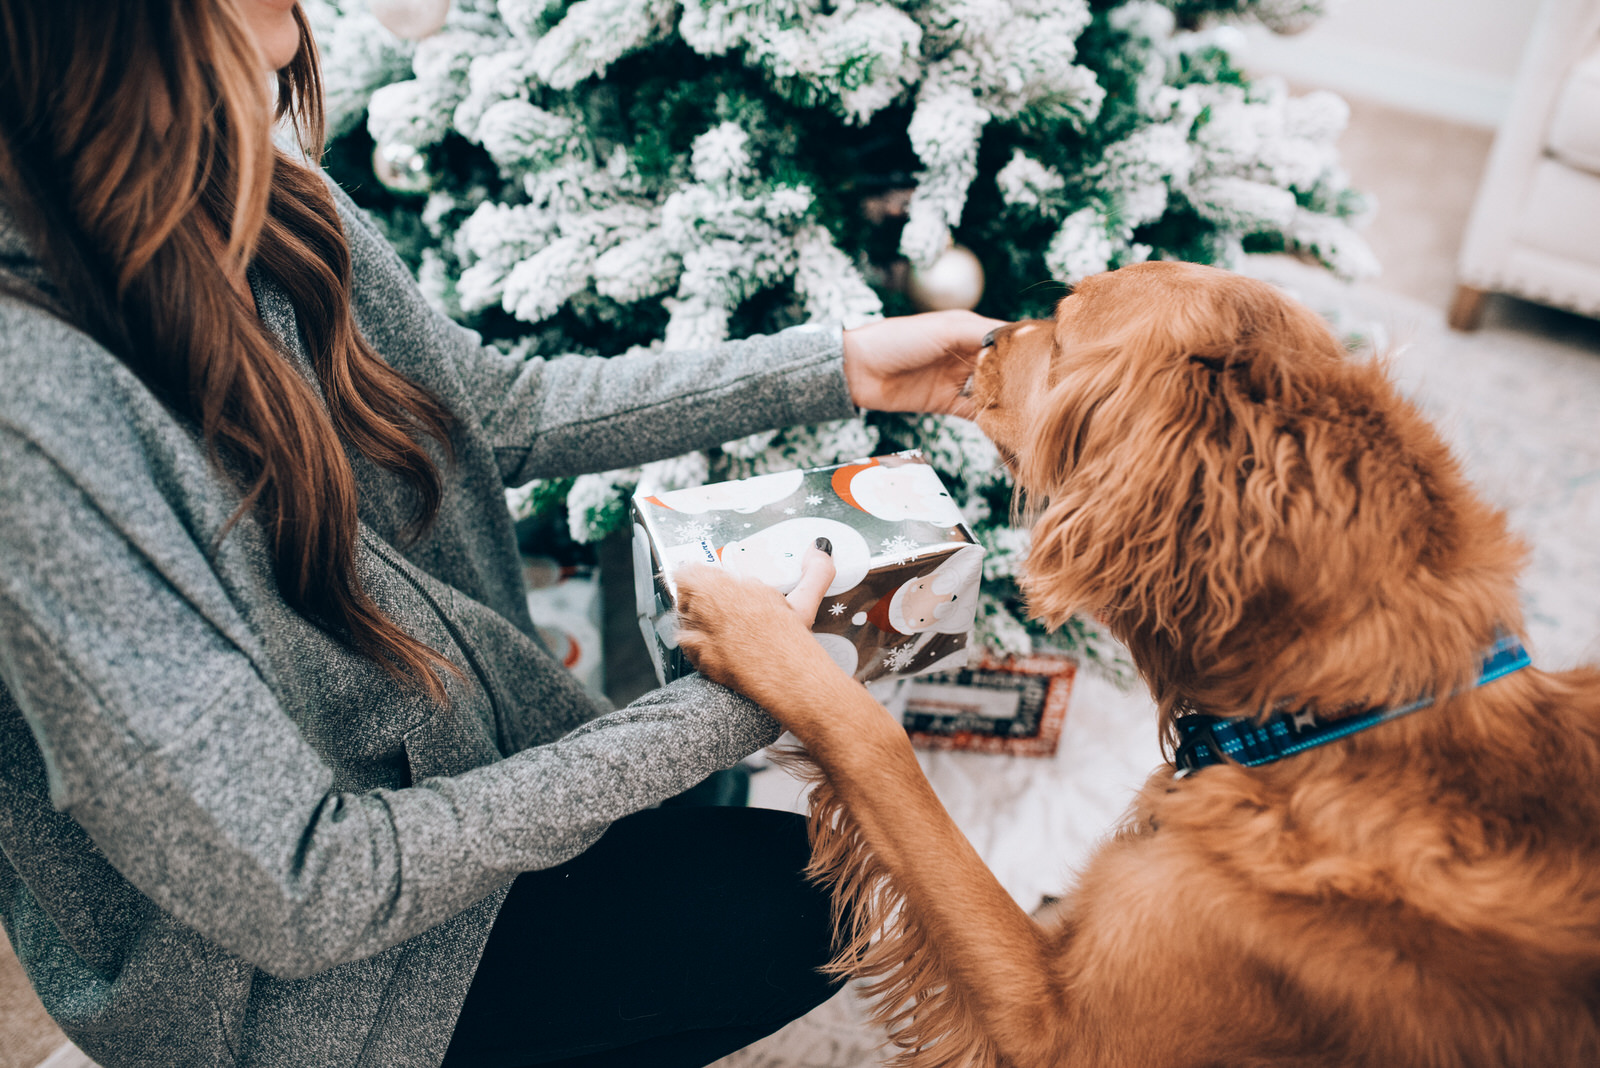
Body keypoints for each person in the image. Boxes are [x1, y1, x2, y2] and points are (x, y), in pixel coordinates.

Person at [0, 3, 1002, 1067]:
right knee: (790, 902)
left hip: (448, 774)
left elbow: (483, 406)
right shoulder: (35, 412)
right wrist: (731, 703)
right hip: (277, 997)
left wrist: (842, 365)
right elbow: (304, 888)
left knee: (794, 885)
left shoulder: (249, 179)